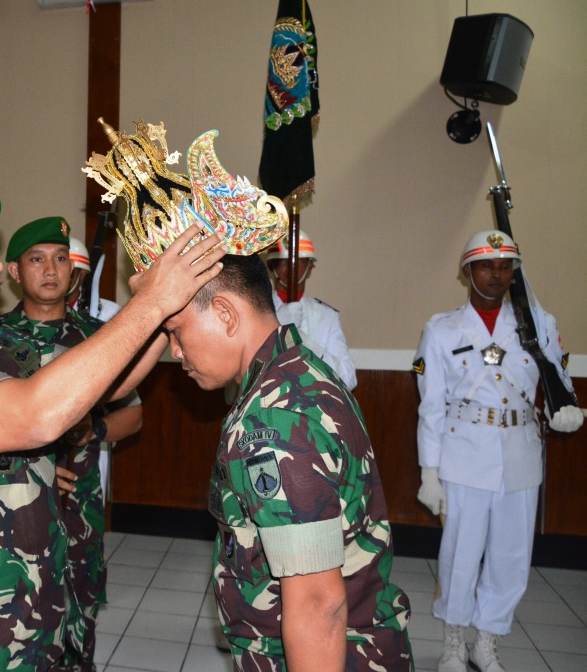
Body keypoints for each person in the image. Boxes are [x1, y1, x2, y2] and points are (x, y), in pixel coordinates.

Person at [84, 119, 414, 671]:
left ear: (226, 313)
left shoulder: (277, 420)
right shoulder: (290, 371)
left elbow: (315, 604)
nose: (174, 353)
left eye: (175, 332)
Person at [0, 182, 224, 671]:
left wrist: (162, 312)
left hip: (32, 609)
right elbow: (36, 415)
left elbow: (102, 386)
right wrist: (150, 306)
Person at [413, 230, 583, 672]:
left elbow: (558, 382)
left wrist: (567, 409)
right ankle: (453, 640)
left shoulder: (536, 325)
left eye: (506, 266)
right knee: (460, 554)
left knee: (511, 557)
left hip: (521, 454)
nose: (496, 274)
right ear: (467, 272)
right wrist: (428, 472)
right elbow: (430, 407)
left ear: (515, 272)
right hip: (464, 453)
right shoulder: (442, 329)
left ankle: (486, 641)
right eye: (486, 266)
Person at [0, 216, 143, 672]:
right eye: (36, 259)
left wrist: (91, 431)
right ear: (15, 272)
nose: (50, 269)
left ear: (73, 271)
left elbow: (134, 414)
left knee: (79, 605)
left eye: (61, 259)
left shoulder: (97, 339)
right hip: (11, 508)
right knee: (15, 613)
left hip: (78, 502)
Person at [264, 230, 357, 390]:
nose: (291, 267)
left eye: (298, 261)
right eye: (282, 261)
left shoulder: (327, 317)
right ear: (271, 266)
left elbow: (348, 380)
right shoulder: (258, 311)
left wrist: (310, 347)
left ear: (310, 266)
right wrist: (274, 329)